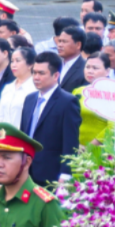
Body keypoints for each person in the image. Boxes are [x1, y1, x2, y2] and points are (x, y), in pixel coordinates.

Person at [18, 53, 82, 187]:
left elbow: (70, 141)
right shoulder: (29, 99)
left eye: (41, 73)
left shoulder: (67, 101)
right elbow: (24, 134)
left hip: (51, 173)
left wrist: (66, 173)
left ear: (56, 75)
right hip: (25, 170)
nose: (36, 77)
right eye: (34, 72)